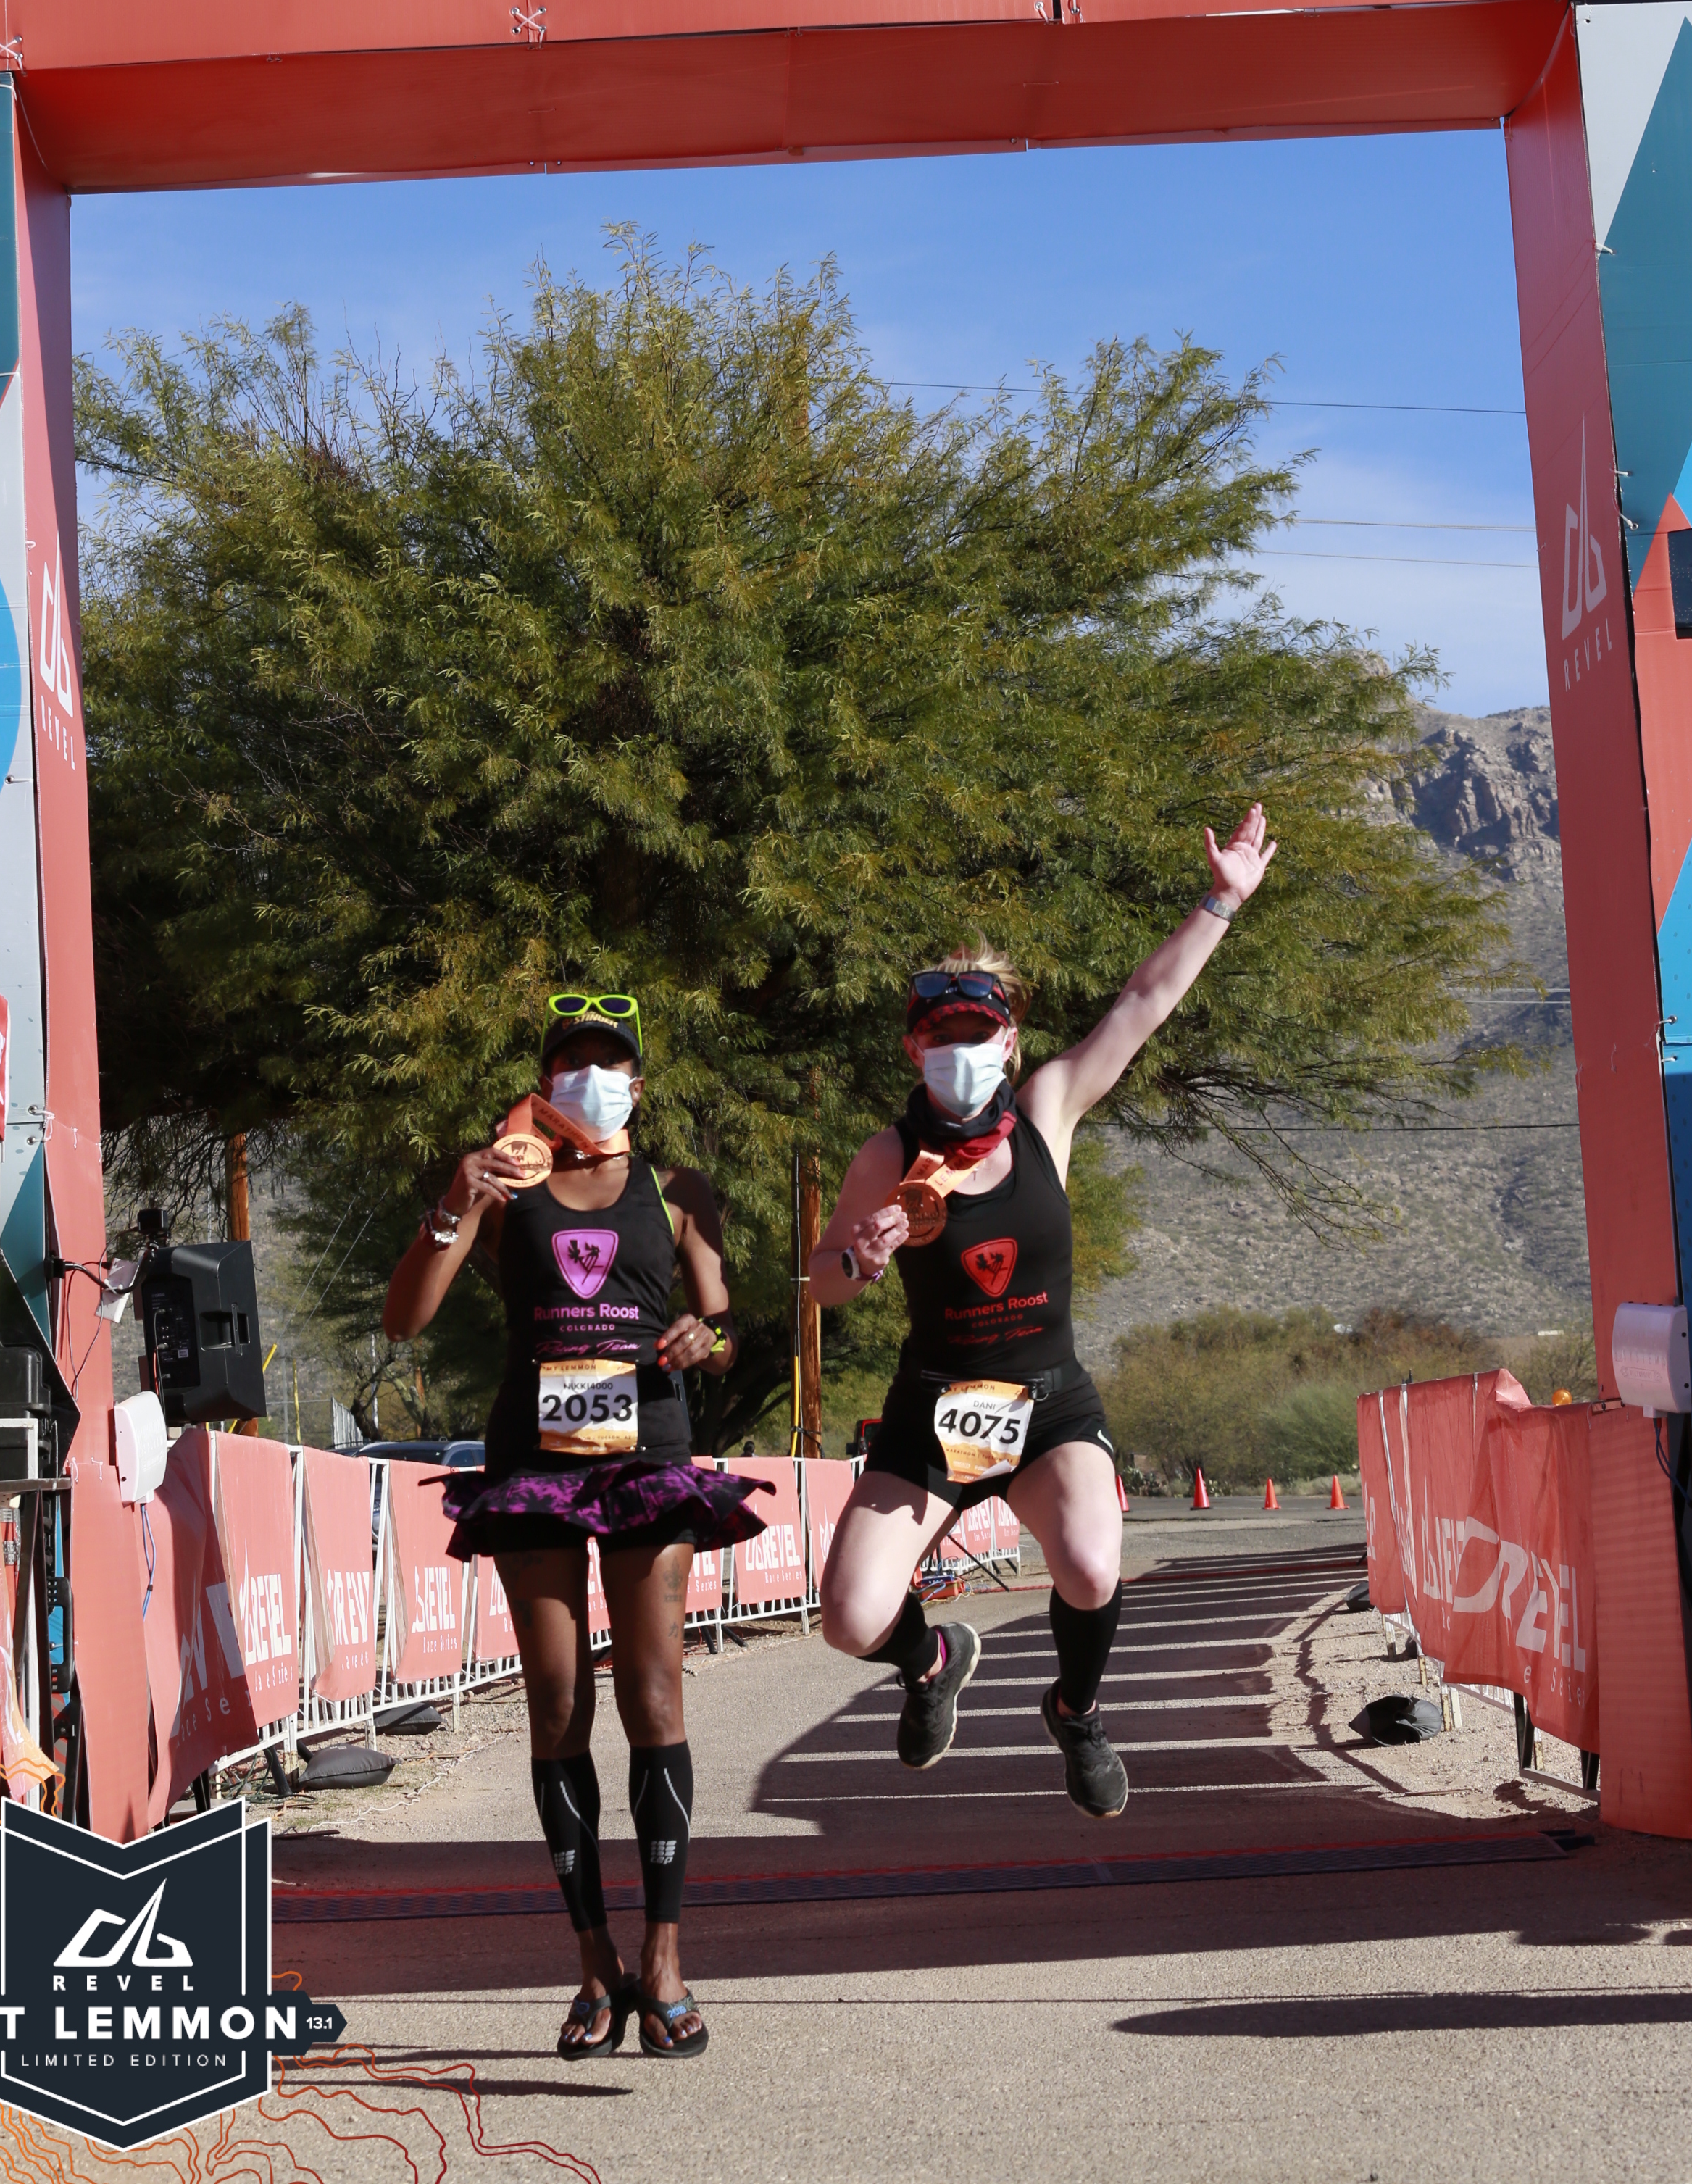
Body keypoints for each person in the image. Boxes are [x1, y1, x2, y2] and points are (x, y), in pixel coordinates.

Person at [810, 806, 1277, 1817]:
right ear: (913, 1049)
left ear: (1009, 1041)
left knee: (1093, 1565)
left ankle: (1077, 1712)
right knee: (848, 1617)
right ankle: (933, 1662)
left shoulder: (1048, 1110)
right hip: (934, 1410)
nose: (959, 1052)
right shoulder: (886, 1157)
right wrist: (859, 1256)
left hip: (1046, 1404)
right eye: (940, 1038)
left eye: (976, 1036)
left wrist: (1221, 902)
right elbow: (822, 1281)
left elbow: (1143, 1004)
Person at [384, 991, 764, 2059]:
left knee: (653, 1694)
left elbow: (724, 1325)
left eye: (609, 1064)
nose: (590, 1080)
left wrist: (707, 1341)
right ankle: (594, 1961)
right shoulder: (505, 1186)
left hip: (648, 1456)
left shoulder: (676, 1190)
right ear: (545, 1082)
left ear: (636, 1085)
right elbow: (405, 1319)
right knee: (557, 1705)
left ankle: (665, 1958)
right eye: (571, 1064)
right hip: (534, 1467)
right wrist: (457, 1198)